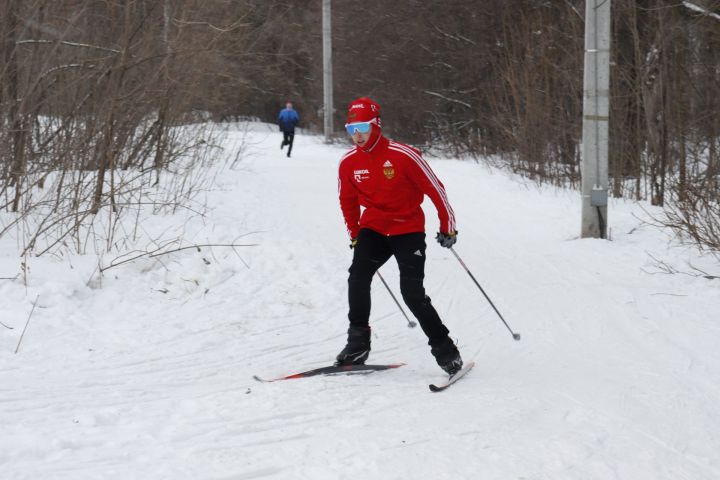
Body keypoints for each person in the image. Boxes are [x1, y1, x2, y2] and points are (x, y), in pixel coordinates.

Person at [336, 96, 463, 375]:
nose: (357, 135)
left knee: (412, 292)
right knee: (357, 276)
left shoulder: (403, 155)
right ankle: (357, 343)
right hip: (374, 228)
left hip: (408, 229)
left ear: (376, 126)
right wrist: (355, 233)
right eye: (351, 129)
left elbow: (435, 189)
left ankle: (445, 349)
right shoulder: (348, 163)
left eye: (363, 128)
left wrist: (447, 226)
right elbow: (347, 201)